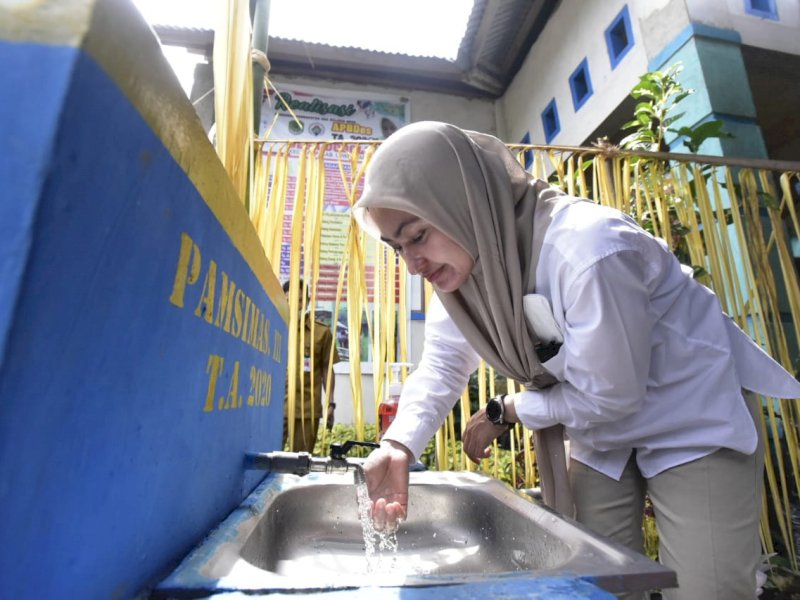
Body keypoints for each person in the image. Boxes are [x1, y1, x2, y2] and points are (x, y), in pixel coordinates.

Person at [352, 121, 800, 600]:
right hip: (600, 432)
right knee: (595, 583)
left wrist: (516, 408)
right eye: (397, 248)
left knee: (705, 590)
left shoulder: (587, 249)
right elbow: (442, 363)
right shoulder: (466, 274)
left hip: (689, 417)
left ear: (463, 201)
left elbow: (612, 393)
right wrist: (398, 445)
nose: (412, 263)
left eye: (417, 235)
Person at [282, 279, 340, 453]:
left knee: (300, 465)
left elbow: (326, 370)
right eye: (290, 300)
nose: (295, 305)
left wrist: (331, 404)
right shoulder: (272, 327)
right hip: (274, 409)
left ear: (307, 301)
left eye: (300, 300)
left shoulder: (321, 332)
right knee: (265, 462)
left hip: (306, 410)